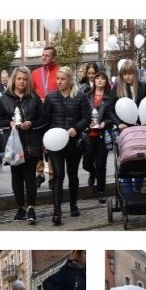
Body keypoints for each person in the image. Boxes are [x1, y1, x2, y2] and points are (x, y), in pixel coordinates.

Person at [0, 66, 47, 224]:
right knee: (16, 177)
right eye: (19, 79)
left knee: (29, 176)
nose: (22, 82)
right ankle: (20, 207)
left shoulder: (34, 97)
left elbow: (43, 118)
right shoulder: (4, 99)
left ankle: (31, 207)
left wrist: (31, 123)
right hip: (14, 144)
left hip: (31, 142)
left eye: (25, 79)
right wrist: (10, 122)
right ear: (14, 80)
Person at [44, 66, 92, 225]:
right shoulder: (51, 97)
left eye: (62, 79)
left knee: (73, 174)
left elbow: (86, 117)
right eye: (57, 79)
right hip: (55, 143)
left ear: (70, 80)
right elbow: (47, 120)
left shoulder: (80, 96)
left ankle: (73, 204)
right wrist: (47, 140)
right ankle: (57, 211)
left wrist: (76, 128)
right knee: (58, 175)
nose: (59, 82)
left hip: (73, 142)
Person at [104, 60, 146, 193]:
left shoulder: (143, 87)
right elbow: (109, 108)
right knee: (126, 161)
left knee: (140, 159)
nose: (127, 77)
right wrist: (118, 123)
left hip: (140, 129)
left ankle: (138, 190)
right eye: (124, 74)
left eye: (130, 73)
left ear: (135, 73)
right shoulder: (118, 89)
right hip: (124, 130)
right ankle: (128, 192)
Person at [32, 46, 59, 190]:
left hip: (54, 115)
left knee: (52, 146)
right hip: (39, 114)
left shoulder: (60, 72)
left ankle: (53, 176)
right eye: (42, 55)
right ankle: (39, 173)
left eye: (47, 55)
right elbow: (31, 93)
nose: (44, 58)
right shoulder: (36, 73)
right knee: (37, 145)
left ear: (54, 58)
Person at [84, 71, 112, 202]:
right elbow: (83, 113)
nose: (99, 80)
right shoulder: (87, 96)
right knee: (87, 163)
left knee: (101, 164)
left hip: (102, 134)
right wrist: (86, 123)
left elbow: (112, 117)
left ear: (106, 82)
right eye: (97, 78)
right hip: (89, 134)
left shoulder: (109, 98)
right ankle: (92, 172)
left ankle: (101, 191)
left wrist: (105, 123)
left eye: (102, 78)